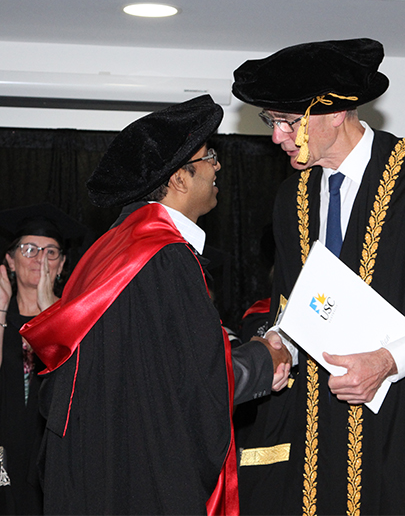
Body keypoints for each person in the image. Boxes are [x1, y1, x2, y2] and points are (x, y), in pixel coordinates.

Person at [231, 38, 405, 514]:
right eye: (271, 121)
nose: (277, 137)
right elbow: (295, 307)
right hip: (318, 429)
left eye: (285, 120)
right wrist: (273, 346)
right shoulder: (291, 199)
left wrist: (386, 361)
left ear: (336, 110)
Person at [19, 95, 290, 515]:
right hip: (143, 481)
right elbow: (197, 383)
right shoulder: (164, 257)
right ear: (180, 178)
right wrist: (266, 357)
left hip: (95, 475)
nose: (218, 166)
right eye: (209, 157)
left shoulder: (109, 249)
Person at [0, 203, 83, 515]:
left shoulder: (77, 319)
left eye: (51, 252)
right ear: (10, 259)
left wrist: (54, 314)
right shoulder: (0, 314)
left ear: (62, 264)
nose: (40, 259)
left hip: (53, 458)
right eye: (29, 248)